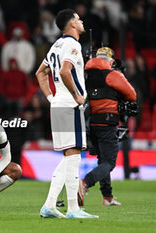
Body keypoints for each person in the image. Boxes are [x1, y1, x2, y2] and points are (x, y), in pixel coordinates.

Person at [36, 9, 98, 219]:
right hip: (70, 106)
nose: (81, 22)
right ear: (71, 24)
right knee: (73, 156)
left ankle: (49, 205)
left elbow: (40, 73)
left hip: (58, 104)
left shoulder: (56, 45)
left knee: (68, 156)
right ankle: (73, 209)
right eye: (78, 19)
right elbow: (64, 71)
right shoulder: (72, 44)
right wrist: (77, 96)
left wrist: (50, 98)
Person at [78, 47, 137, 206]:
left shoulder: (85, 74)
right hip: (107, 122)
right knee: (109, 163)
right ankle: (85, 184)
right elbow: (132, 95)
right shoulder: (113, 75)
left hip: (90, 124)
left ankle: (107, 196)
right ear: (110, 61)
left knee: (102, 159)